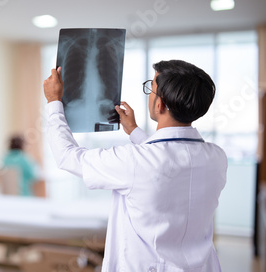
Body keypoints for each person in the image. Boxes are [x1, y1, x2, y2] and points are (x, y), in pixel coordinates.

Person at [43, 60, 227, 271]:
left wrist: (53, 102)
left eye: (152, 88)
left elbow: (67, 156)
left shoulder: (134, 161)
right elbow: (167, 163)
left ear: (160, 104)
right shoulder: (217, 158)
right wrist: (134, 131)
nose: (149, 93)